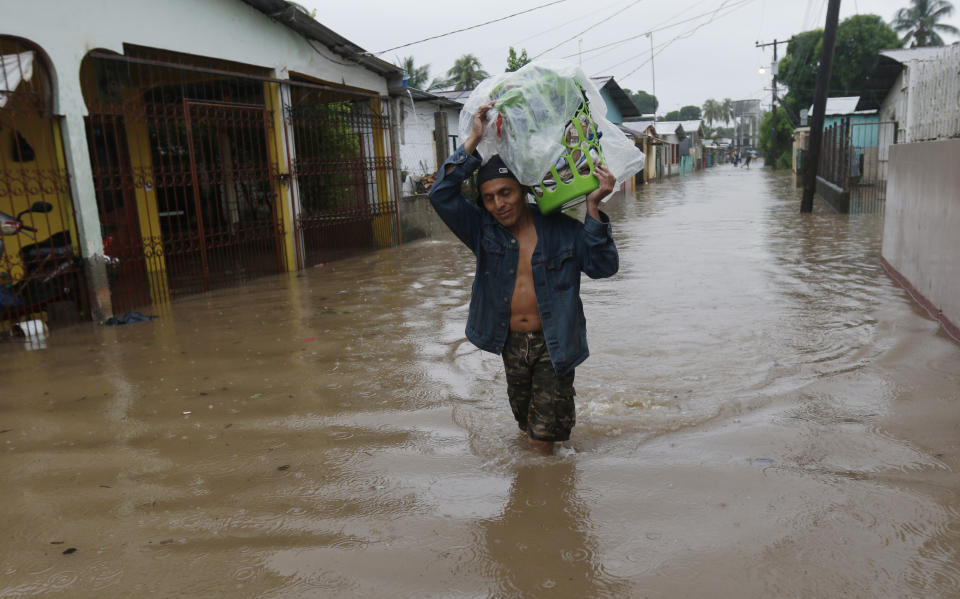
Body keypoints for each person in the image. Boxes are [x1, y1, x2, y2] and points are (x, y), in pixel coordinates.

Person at [429, 101, 619, 456]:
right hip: (510, 344)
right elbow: (440, 194)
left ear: (523, 191)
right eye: (489, 198)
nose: (499, 204)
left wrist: (594, 209)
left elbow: (603, 267)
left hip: (555, 342)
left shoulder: (563, 229)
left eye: (506, 192)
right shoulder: (483, 231)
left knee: (540, 440)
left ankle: (543, 499)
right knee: (525, 423)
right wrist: (473, 138)